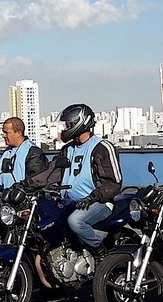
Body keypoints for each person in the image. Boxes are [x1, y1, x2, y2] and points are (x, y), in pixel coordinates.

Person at [21, 103, 122, 257]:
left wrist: (92, 197)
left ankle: (101, 253)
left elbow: (114, 182)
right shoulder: (68, 149)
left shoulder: (101, 148)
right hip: (70, 203)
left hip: (99, 203)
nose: (65, 128)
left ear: (80, 123)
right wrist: (26, 184)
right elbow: (51, 172)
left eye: (68, 125)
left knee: (76, 221)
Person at [0, 116, 48, 190]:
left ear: (18, 133)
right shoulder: (6, 152)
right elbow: (0, 175)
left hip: (23, 199)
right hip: (3, 198)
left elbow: (36, 180)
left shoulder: (33, 152)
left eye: (6, 133)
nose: (3, 136)